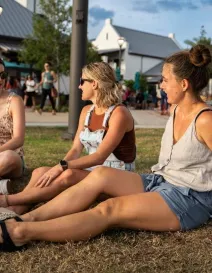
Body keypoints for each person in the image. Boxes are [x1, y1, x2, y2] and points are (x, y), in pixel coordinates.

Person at [2, 44, 211, 251]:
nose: (161, 85)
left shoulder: (205, 120)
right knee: (100, 174)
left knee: (109, 209)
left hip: (189, 197)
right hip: (160, 180)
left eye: (165, 80)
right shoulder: (176, 110)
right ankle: (23, 218)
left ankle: (19, 233)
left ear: (184, 85)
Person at [0, 62, 136, 214]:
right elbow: (76, 149)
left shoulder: (119, 114)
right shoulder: (86, 111)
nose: (79, 86)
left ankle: (8, 201)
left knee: (69, 174)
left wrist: (62, 167)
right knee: (40, 172)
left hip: (118, 176)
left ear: (95, 84)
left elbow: (99, 157)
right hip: (96, 171)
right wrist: (59, 167)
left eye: (82, 81)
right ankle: (16, 210)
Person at [0, 59, 25, 196]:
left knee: (8, 157)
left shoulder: (14, 101)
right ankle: (2, 187)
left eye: (2, 75)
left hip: (9, 156)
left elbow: (18, 139)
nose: (0, 79)